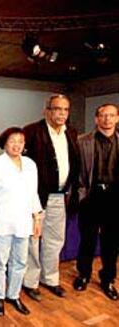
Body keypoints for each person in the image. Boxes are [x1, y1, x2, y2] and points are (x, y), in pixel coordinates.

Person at [22, 94, 80, 301]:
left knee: (55, 240)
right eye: (57, 109)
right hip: (36, 198)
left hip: (60, 196)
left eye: (65, 110)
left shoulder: (71, 133)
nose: (62, 113)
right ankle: (30, 282)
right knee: (33, 240)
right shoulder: (31, 131)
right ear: (46, 110)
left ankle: (51, 278)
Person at [0, 127, 42, 317]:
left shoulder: (31, 164)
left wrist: (37, 218)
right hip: (1, 222)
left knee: (20, 261)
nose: (17, 145)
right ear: (4, 143)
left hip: (24, 222)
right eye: (12, 141)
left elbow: (33, 193)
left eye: (21, 141)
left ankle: (13, 295)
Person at [73, 103, 119, 301]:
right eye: (103, 115)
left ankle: (108, 279)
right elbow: (75, 172)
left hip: (116, 199)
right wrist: (81, 197)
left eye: (111, 115)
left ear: (117, 118)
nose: (107, 119)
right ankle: (83, 274)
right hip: (91, 197)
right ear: (96, 119)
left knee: (112, 243)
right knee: (87, 240)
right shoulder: (82, 141)